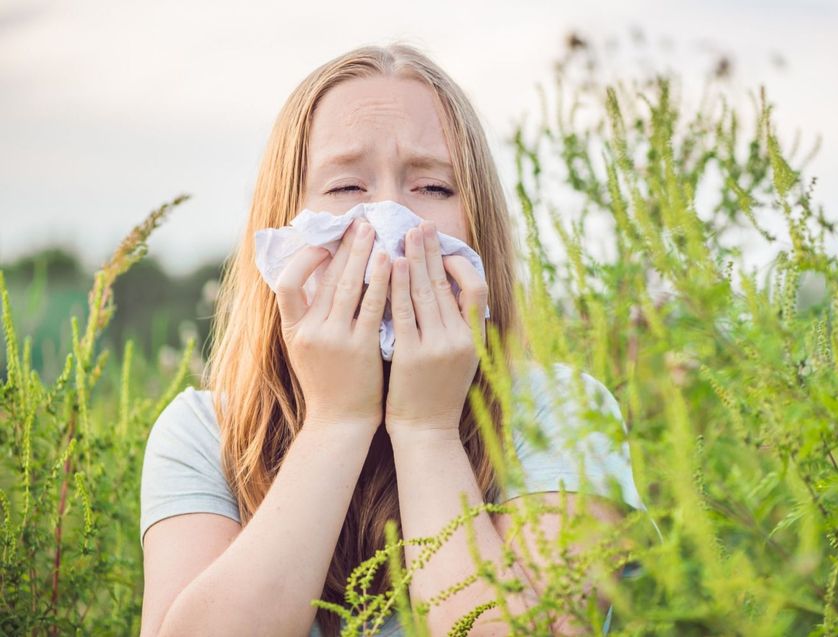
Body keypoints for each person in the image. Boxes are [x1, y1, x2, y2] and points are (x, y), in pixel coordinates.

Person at [138, 42, 647, 637]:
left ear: (478, 222)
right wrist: (335, 420)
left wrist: (426, 428)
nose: (387, 214)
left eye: (432, 188)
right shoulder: (206, 434)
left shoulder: (560, 414)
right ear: (283, 226)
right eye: (346, 187)